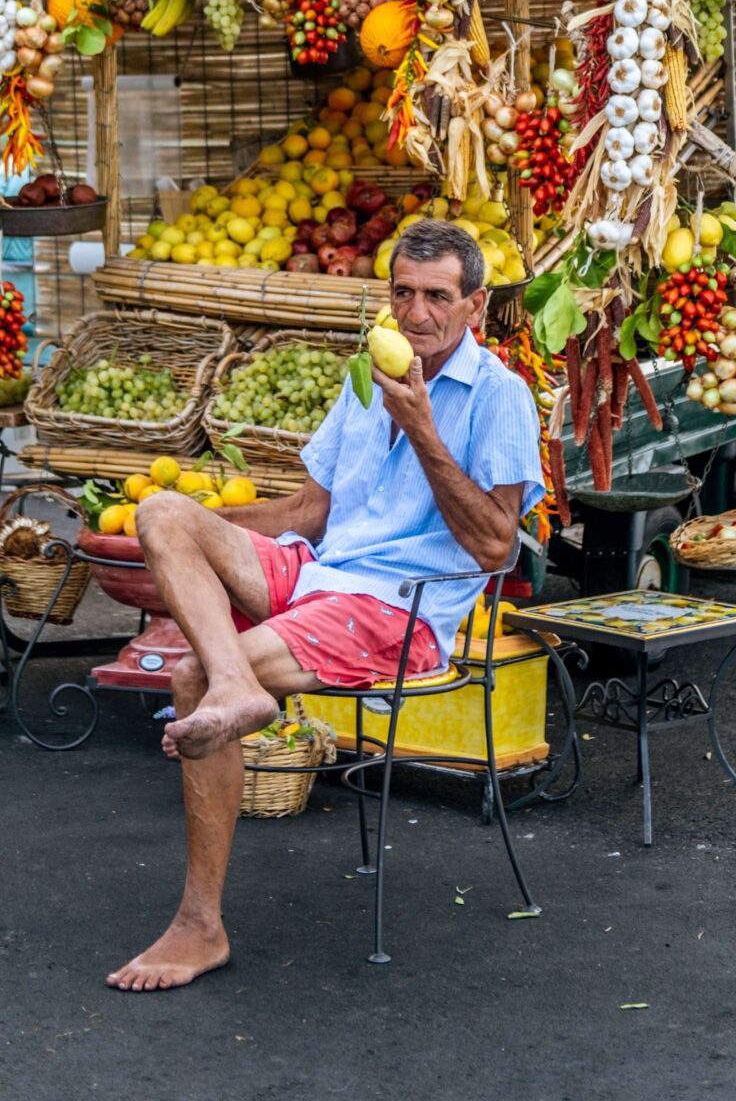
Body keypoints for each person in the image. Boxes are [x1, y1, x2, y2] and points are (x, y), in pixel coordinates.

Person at [108, 218, 544, 992]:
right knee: (161, 514)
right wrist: (201, 531)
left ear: (474, 305)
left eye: (437, 297)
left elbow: (494, 549)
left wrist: (422, 429)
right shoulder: (367, 376)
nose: (415, 314)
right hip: (317, 573)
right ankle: (236, 683)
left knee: (188, 680)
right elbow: (309, 514)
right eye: (402, 293)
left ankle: (198, 926)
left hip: (399, 607)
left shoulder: (499, 397)